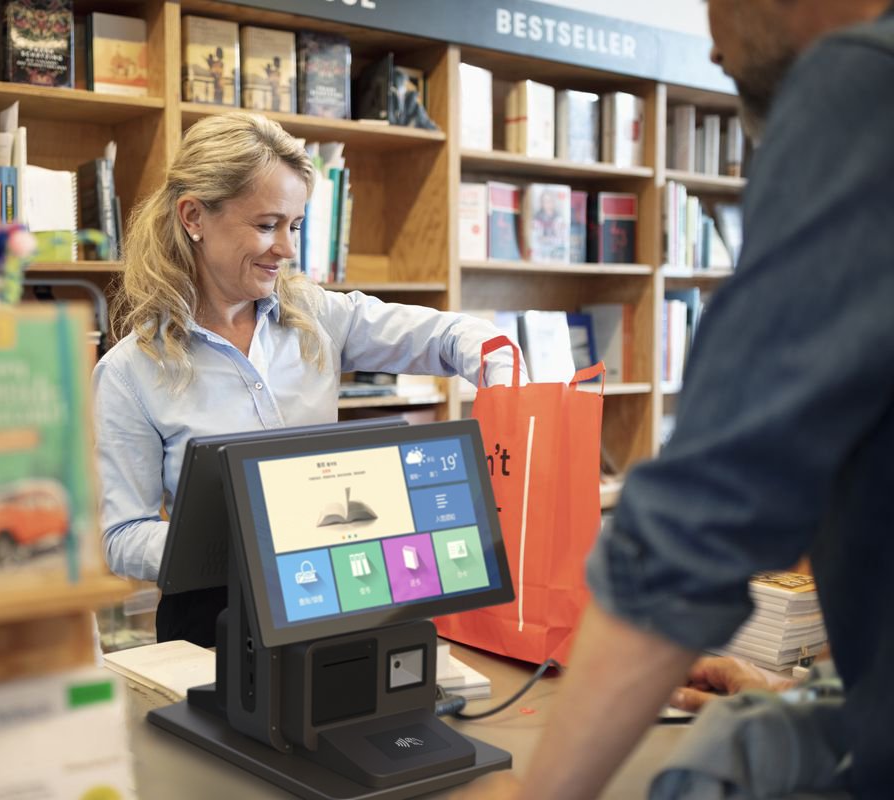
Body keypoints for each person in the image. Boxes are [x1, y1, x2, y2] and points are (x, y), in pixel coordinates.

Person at [459, 1, 894, 797]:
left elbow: (707, 508)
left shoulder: (861, 86)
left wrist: (537, 792)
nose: (710, 31)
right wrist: (823, 699)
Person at [93, 112, 521, 645]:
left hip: (346, 594)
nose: (288, 249)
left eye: (294, 226)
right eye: (267, 224)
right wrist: (251, 545)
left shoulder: (318, 315)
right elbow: (123, 536)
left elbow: (453, 337)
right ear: (193, 216)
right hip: (216, 621)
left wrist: (506, 384)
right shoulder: (129, 372)